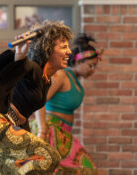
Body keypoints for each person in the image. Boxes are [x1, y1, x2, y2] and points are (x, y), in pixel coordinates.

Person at [0, 20, 73, 175]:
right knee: (49, 156)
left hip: (7, 124)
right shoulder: (33, 69)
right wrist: (19, 56)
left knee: (5, 168)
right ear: (48, 49)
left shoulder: (47, 80)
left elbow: (24, 114)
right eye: (64, 47)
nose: (69, 52)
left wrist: (29, 131)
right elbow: (4, 75)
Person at [35, 33, 102, 174]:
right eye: (91, 66)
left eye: (95, 67)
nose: (93, 70)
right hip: (51, 130)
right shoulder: (62, 76)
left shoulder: (76, 81)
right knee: (86, 170)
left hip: (64, 133)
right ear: (79, 61)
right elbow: (38, 101)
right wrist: (42, 130)